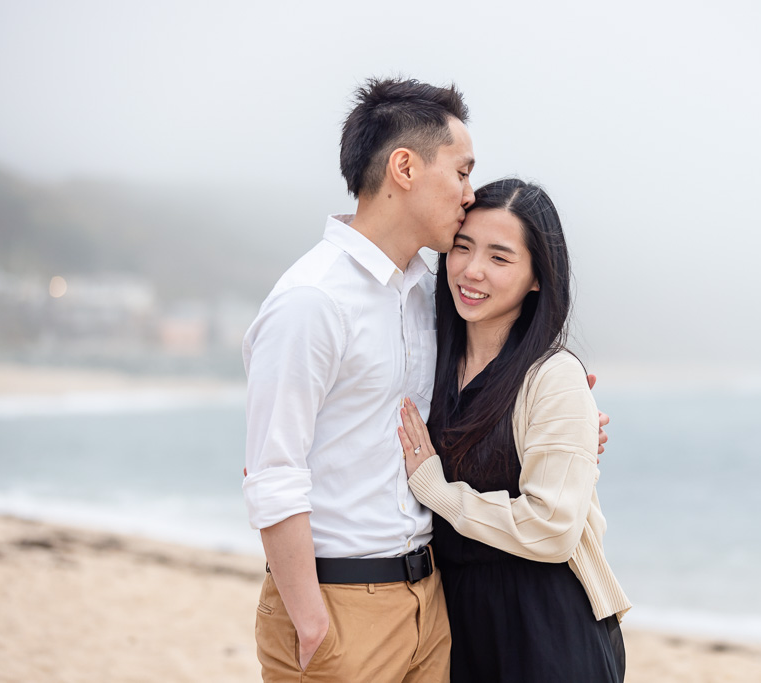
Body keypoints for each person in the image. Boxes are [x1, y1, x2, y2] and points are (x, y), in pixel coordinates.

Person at [242, 79, 608, 682]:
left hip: (433, 604)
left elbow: (479, 404)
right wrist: (310, 620)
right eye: (462, 173)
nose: (468, 194)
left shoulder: (422, 294)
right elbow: (273, 474)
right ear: (405, 167)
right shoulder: (312, 301)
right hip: (341, 603)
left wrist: (567, 428)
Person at [398, 178, 631, 682]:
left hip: (545, 625)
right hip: (453, 619)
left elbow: (552, 528)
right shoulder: (430, 364)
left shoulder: (553, 376)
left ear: (537, 278)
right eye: (463, 247)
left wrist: (439, 492)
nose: (472, 270)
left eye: (500, 258)